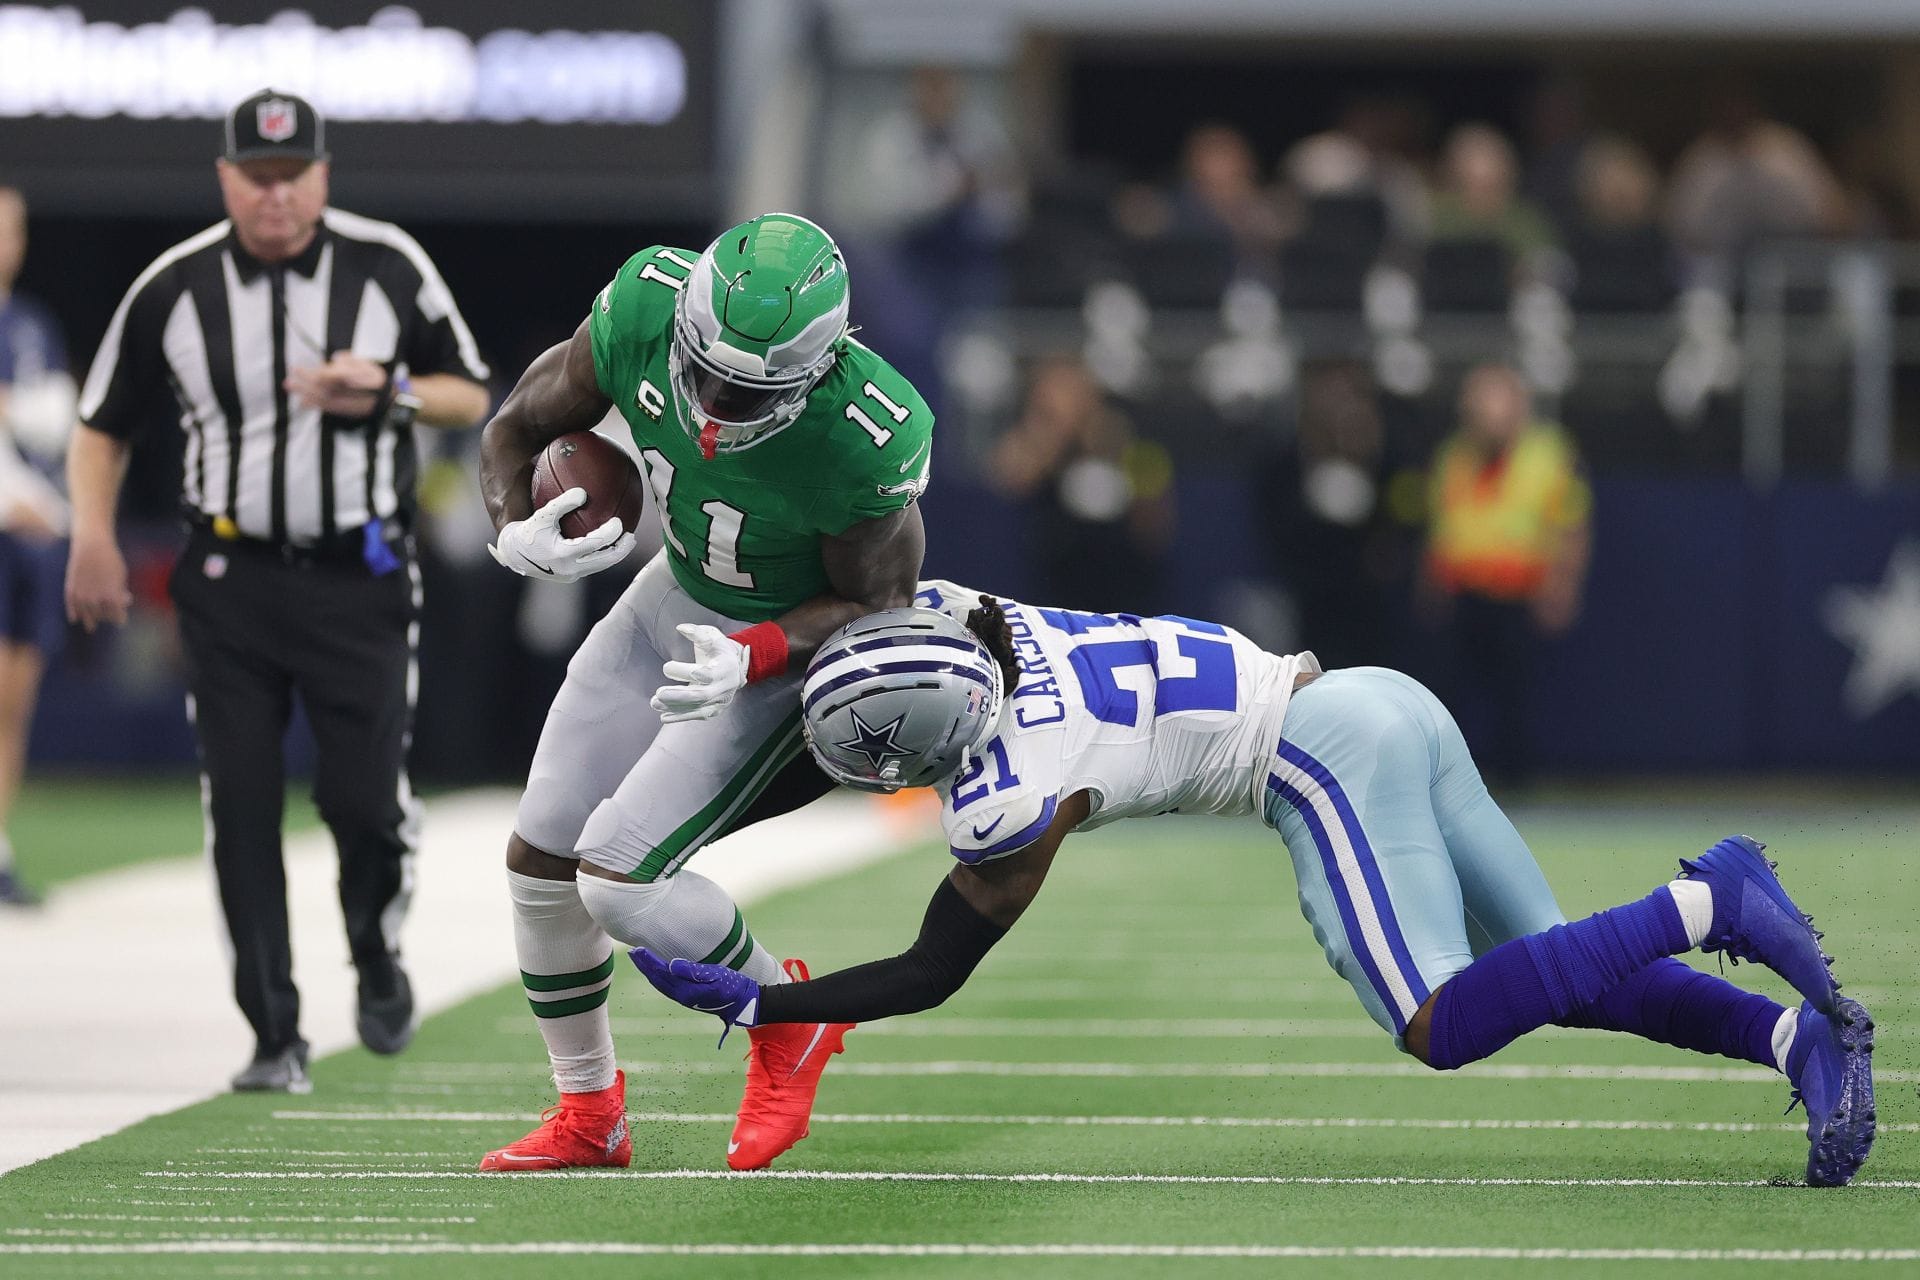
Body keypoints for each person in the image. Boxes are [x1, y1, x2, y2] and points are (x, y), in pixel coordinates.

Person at [637, 586, 1877, 1189]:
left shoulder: (1013, 789)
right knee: (1554, 966)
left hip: (1320, 755)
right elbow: (876, 614)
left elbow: (930, 970)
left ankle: (1712, 896)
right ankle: (1793, 1039)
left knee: (1442, 1019)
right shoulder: (975, 614)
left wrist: (765, 1007)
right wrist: (765, 650)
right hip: (1383, 698)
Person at [474, 211, 932, 1173]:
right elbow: (515, 426)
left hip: (780, 646)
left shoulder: (864, 432)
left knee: (617, 878)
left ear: (821, 366)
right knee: (539, 860)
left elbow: (879, 600)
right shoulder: (644, 303)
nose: (717, 402)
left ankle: (792, 1019)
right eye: (708, 367)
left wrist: (759, 649)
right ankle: (590, 1112)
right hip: (671, 596)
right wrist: (511, 521)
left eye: (748, 387)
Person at [63, 89, 491, 1092]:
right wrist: (91, 532)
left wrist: (383, 388)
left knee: (362, 803)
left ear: (323, 174)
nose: (275, 195)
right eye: (255, 178)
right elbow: (100, 421)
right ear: (225, 180)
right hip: (229, 578)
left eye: (291, 174)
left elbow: (470, 386)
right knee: (242, 804)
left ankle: (375, 948)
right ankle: (272, 1029)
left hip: (361, 577)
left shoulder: (387, 265)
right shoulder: (173, 287)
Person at [1421, 362, 1590, 785]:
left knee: (1514, 697)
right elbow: (1443, 524)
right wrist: (1432, 583)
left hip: (1518, 593)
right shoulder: (1453, 456)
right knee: (1449, 696)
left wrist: (1562, 584)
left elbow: (1571, 524)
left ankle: (1518, 784)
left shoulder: (1547, 454)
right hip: (1464, 592)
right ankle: (1448, 783)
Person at [0, 185, 77, 907]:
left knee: (13, 702)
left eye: (12, 229)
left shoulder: (30, 324)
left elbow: (56, 425)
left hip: (33, 536)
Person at [988, 354, 1173, 613]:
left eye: (1068, 395)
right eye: (1048, 400)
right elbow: (1009, 477)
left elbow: (1153, 523)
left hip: (1123, 589)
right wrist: (1048, 438)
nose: (1059, 405)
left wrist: (1110, 449)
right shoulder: (1036, 446)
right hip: (1049, 593)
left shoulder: (1124, 439)